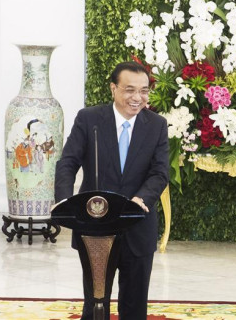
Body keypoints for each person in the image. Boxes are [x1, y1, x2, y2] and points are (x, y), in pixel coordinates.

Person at [54, 61, 169, 319]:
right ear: (113, 89)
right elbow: (68, 162)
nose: (137, 98)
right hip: (95, 227)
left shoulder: (157, 125)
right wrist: (64, 201)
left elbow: (160, 172)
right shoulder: (89, 119)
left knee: (135, 307)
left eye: (144, 90)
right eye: (129, 90)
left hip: (137, 225)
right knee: (96, 304)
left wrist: (141, 199)